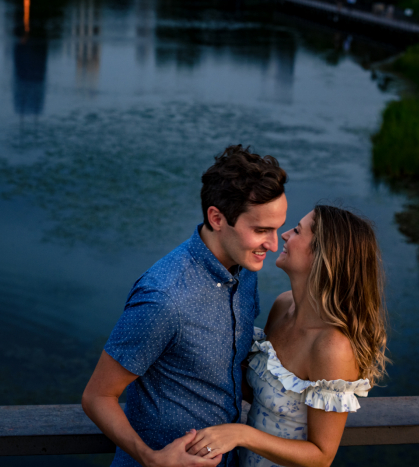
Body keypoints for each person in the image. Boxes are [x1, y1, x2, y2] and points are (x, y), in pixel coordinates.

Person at [82, 145, 288, 467]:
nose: (274, 245)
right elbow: (97, 397)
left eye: (277, 228)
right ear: (217, 218)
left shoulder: (245, 270)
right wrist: (151, 459)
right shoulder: (164, 297)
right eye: (262, 230)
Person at [184, 205, 389, 467]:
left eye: (297, 231)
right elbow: (263, 389)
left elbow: (322, 455)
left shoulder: (332, 348)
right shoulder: (283, 306)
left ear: (322, 255)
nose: (283, 235)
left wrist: (241, 434)